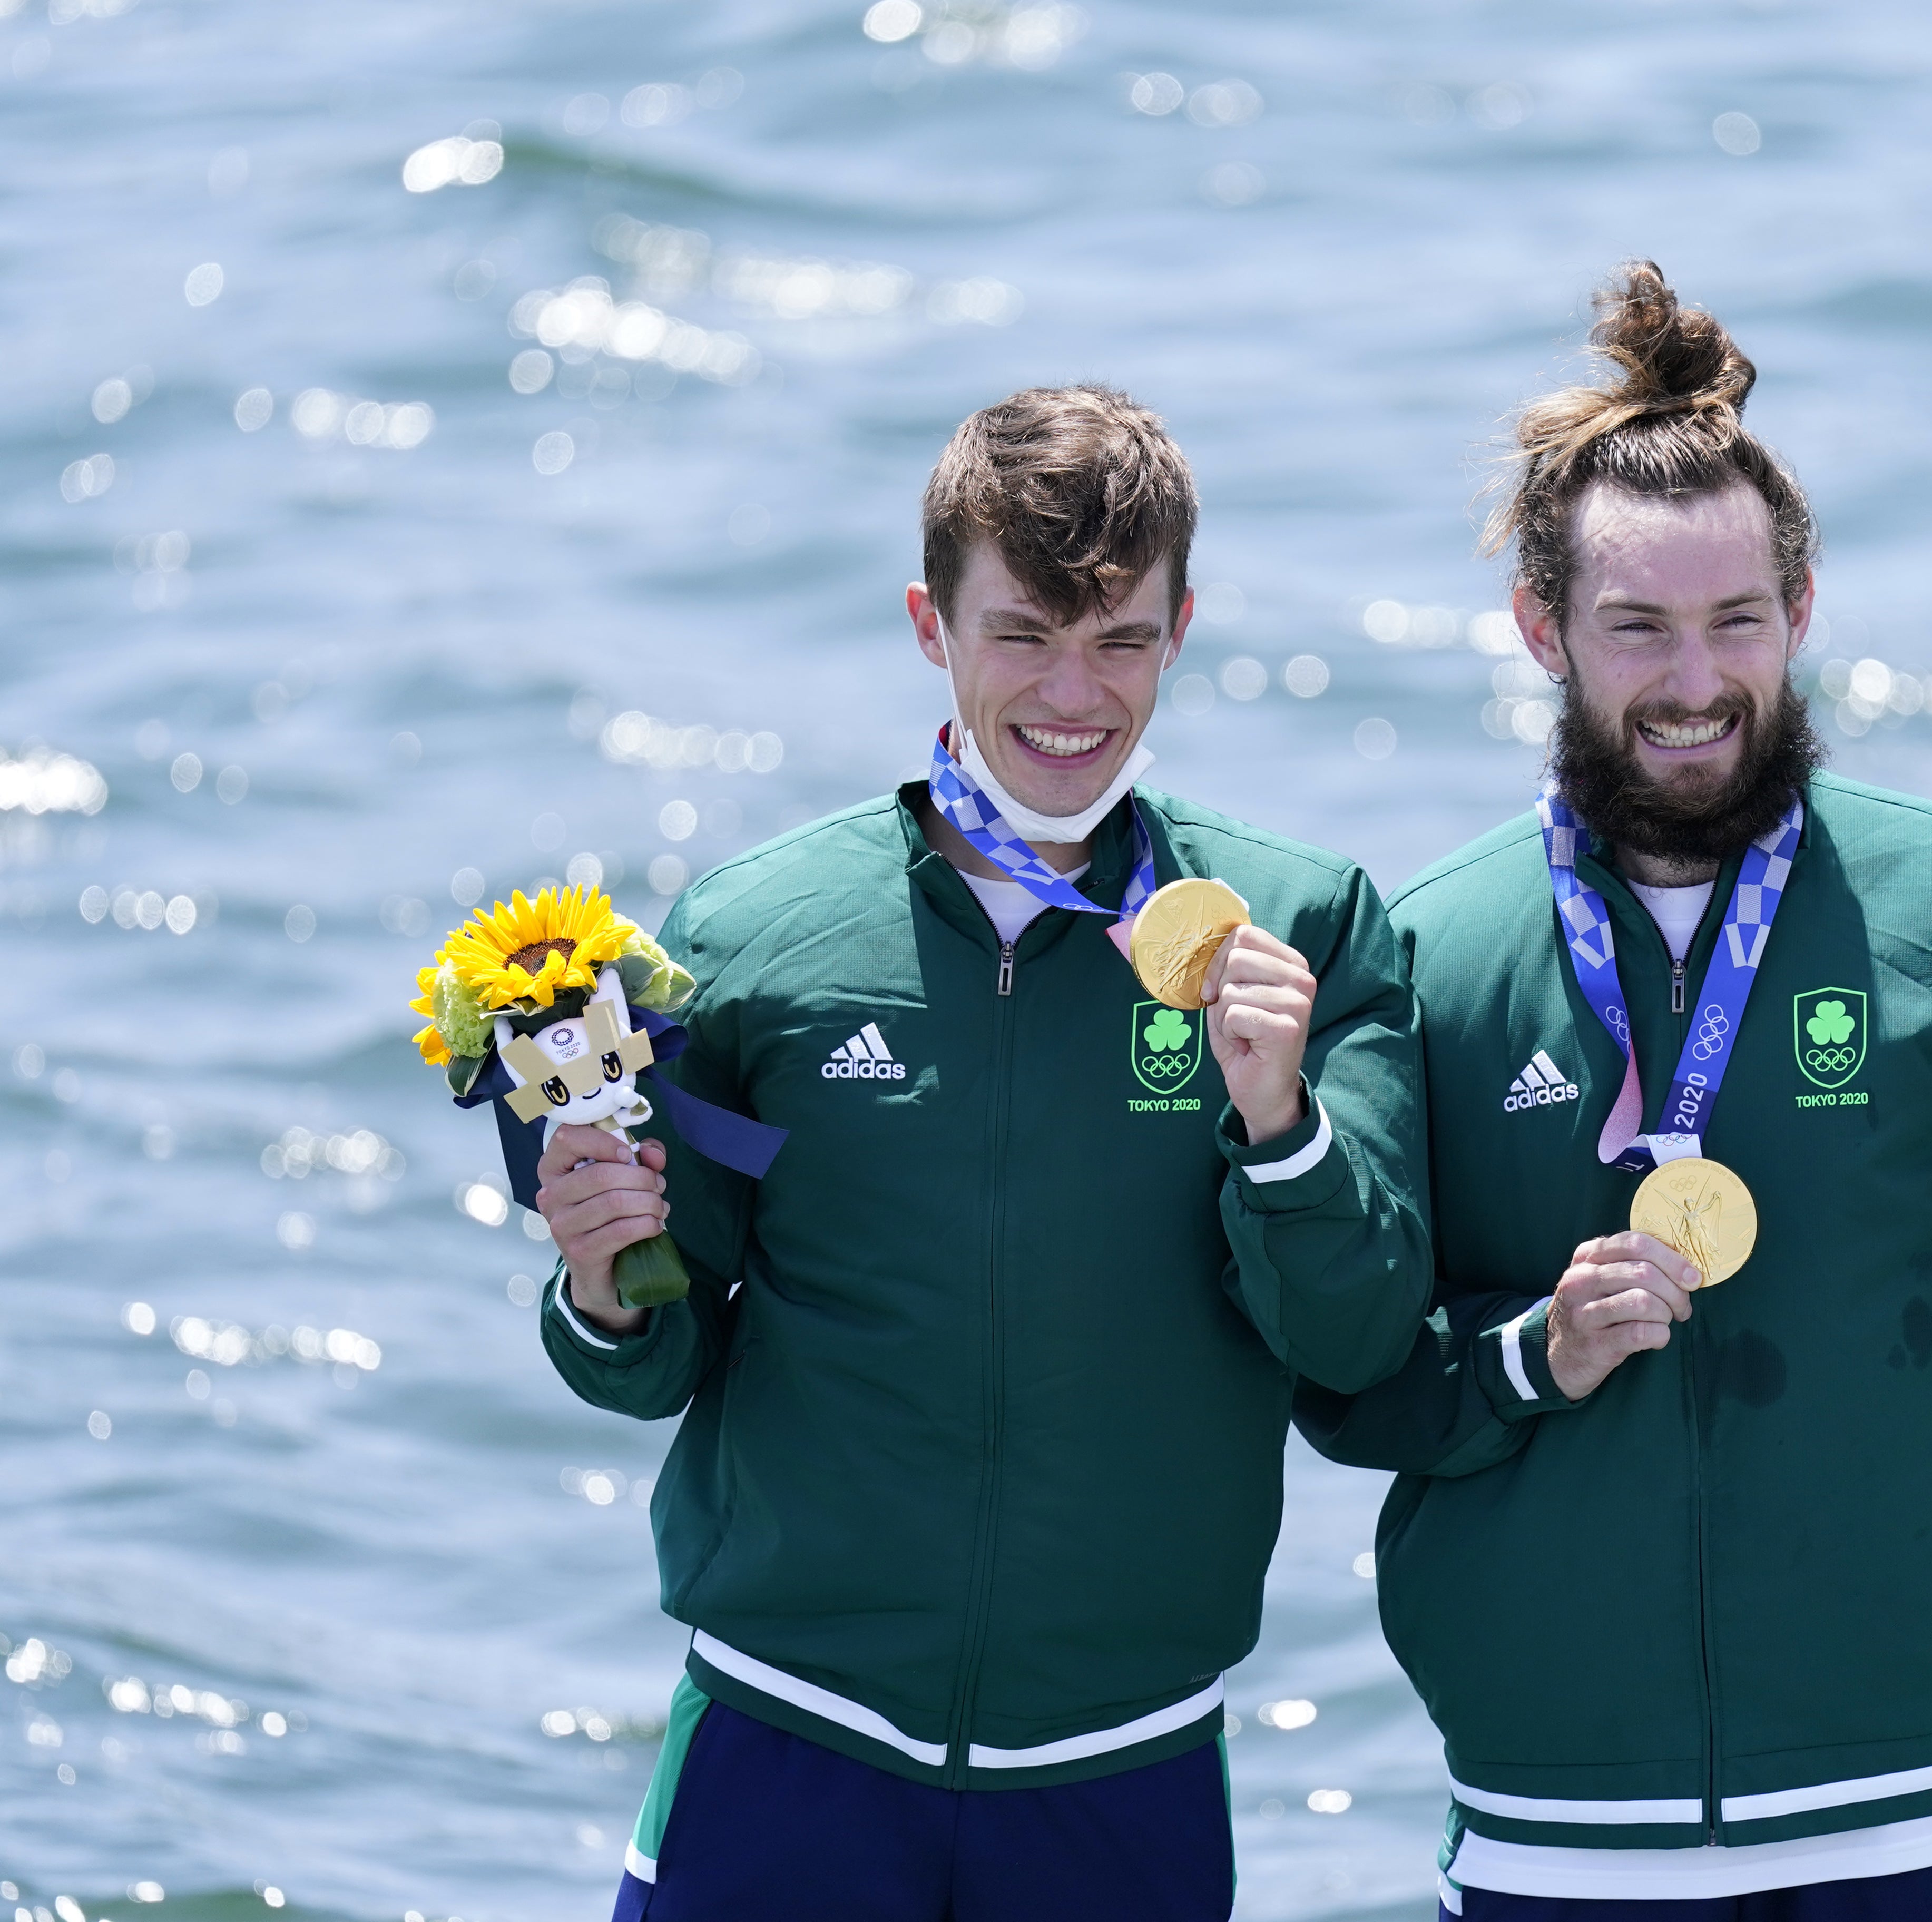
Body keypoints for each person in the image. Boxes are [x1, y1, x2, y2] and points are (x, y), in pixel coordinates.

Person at [1296, 264, 1932, 1919]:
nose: (1695, 680)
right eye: (1638, 628)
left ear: (1804, 606)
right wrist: (1534, 1354)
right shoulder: (1424, 955)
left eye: (1735, 621)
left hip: (1907, 1817)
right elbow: (1349, 1384)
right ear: (1543, 630)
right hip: (1562, 1823)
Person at [532, 385, 1431, 1921]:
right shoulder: (754, 939)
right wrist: (602, 1284)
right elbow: (663, 1353)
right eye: (1022, 631)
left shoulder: (1308, 926)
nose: (1075, 693)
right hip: (783, 1739)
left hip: (1121, 1767)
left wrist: (1281, 1126)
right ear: (927, 621)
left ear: (1184, 625)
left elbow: (1355, 1344)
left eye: (1123, 639)